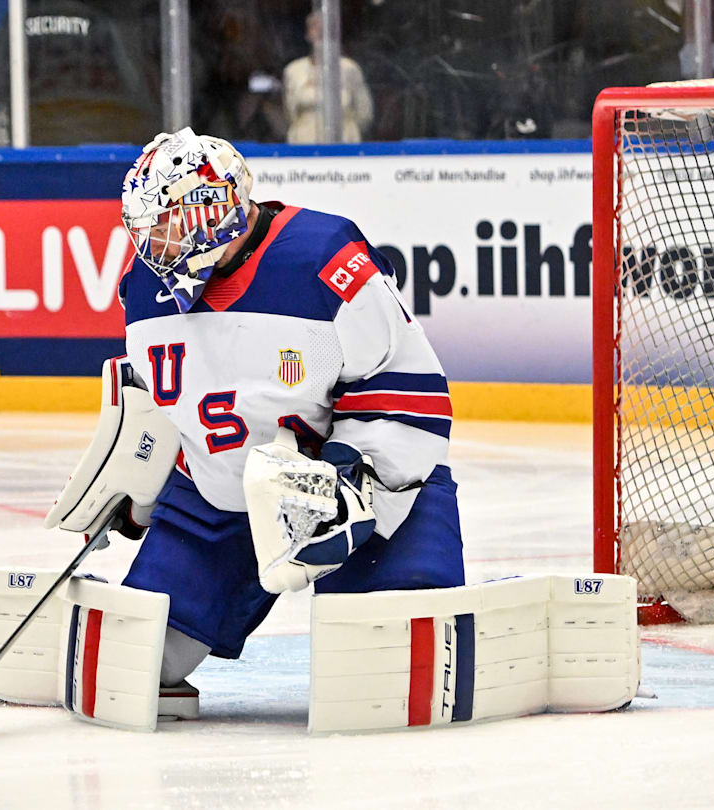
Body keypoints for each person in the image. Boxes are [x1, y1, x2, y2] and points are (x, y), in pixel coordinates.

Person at [114, 127, 463, 699]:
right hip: (217, 503)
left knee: (390, 669)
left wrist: (350, 482)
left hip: (359, 493)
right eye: (147, 229)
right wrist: (136, 487)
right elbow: (157, 405)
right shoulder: (142, 289)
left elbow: (407, 387)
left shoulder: (325, 258)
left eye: (170, 225)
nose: (157, 245)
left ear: (216, 208)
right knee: (138, 662)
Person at [282, 11, 373, 143]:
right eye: (315, 27)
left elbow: (364, 113)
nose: (320, 32)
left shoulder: (350, 68)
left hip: (345, 144)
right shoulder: (293, 70)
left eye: (326, 27)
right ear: (308, 34)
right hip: (303, 146)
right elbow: (290, 114)